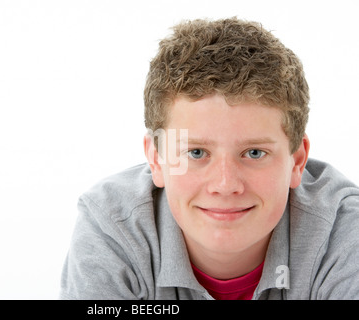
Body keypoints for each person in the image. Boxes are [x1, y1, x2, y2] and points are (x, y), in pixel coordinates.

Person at [60, 17, 359, 300]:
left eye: (255, 153)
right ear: (156, 159)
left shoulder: (343, 232)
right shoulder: (113, 228)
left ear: (297, 162)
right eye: (196, 152)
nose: (225, 184)